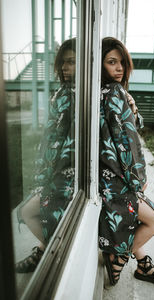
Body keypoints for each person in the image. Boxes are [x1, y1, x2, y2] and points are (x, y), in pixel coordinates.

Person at [99, 37, 154, 287]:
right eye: (111, 62)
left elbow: (127, 127)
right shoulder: (114, 92)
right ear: (99, 65)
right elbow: (126, 142)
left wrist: (133, 108)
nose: (119, 69)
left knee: (148, 218)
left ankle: (142, 265)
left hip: (107, 178)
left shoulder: (104, 93)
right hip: (115, 182)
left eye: (122, 63)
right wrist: (138, 180)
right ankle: (119, 256)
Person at [15, 38, 76, 273]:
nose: (64, 68)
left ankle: (47, 252)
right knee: (27, 211)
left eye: (71, 62)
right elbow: (50, 136)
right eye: (63, 63)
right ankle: (46, 250)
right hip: (52, 171)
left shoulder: (84, 95)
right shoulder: (62, 92)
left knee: (28, 211)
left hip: (67, 175)